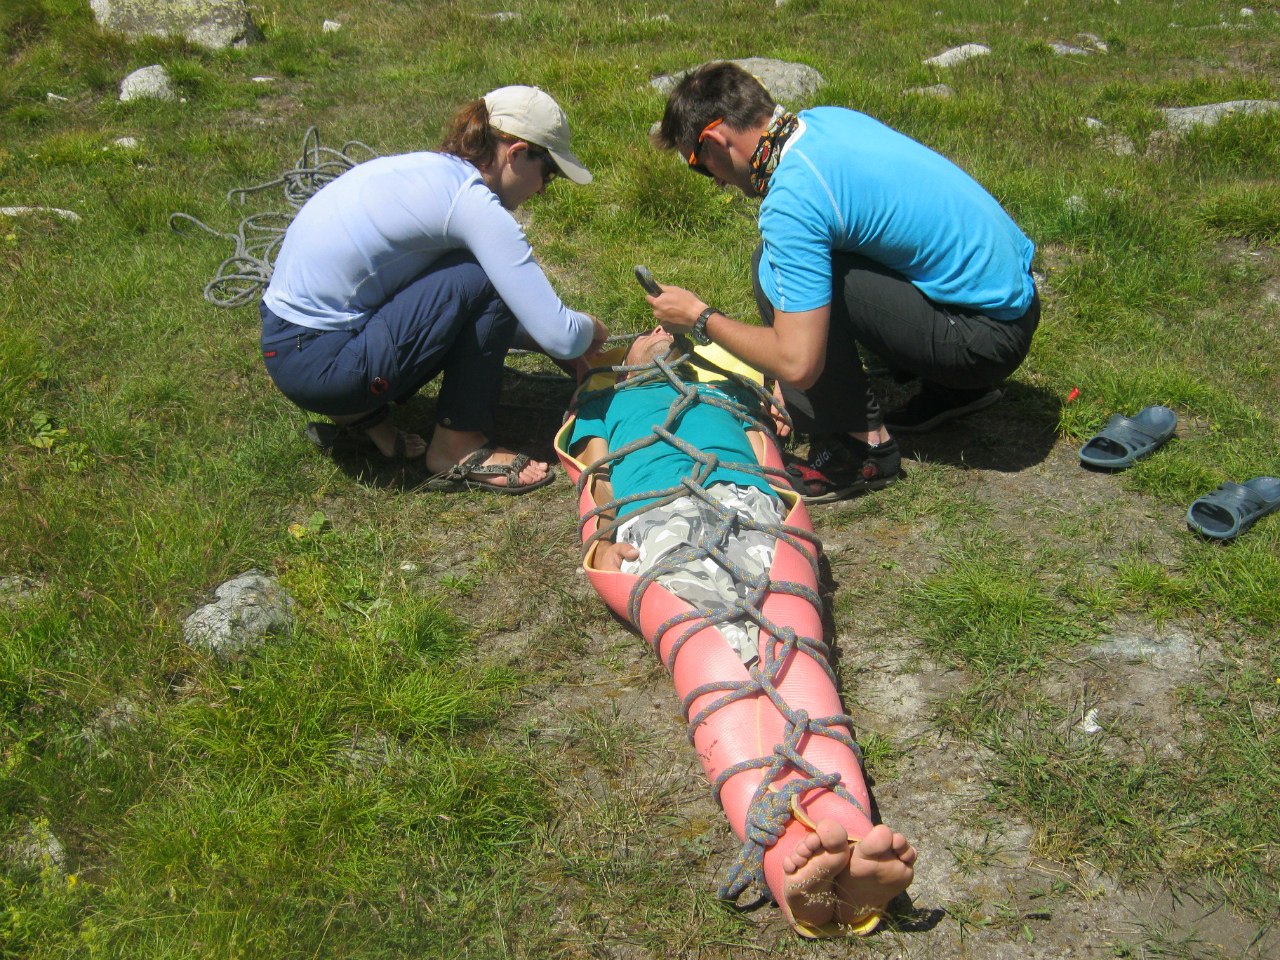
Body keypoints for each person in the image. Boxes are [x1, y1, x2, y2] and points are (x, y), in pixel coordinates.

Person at [568, 329, 916, 933]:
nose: (657, 336)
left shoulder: (730, 383)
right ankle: (794, 866)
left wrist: (767, 432)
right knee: (715, 652)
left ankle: (848, 842)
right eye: (643, 336)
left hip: (744, 501)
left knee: (791, 646)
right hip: (658, 511)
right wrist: (605, 540)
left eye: (669, 334)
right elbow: (593, 469)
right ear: (614, 360)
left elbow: (764, 445)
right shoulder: (602, 394)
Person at [645, 62, 1040, 503]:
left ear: (717, 139)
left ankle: (859, 450)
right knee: (801, 266)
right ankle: (952, 390)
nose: (716, 182)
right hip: (1015, 308)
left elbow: (798, 363)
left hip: (981, 342)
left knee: (771, 267)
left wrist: (700, 317)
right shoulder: (824, 122)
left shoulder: (793, 200)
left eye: (700, 165)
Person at [259, 85, 608, 492]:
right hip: (323, 365)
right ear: (515, 154)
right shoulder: (470, 204)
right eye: (546, 172)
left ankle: (359, 414)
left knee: (472, 279)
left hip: (287, 343)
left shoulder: (430, 171)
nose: (544, 188)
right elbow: (561, 336)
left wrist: (548, 337)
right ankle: (457, 445)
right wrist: (589, 329)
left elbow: (457, 314)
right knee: (485, 276)